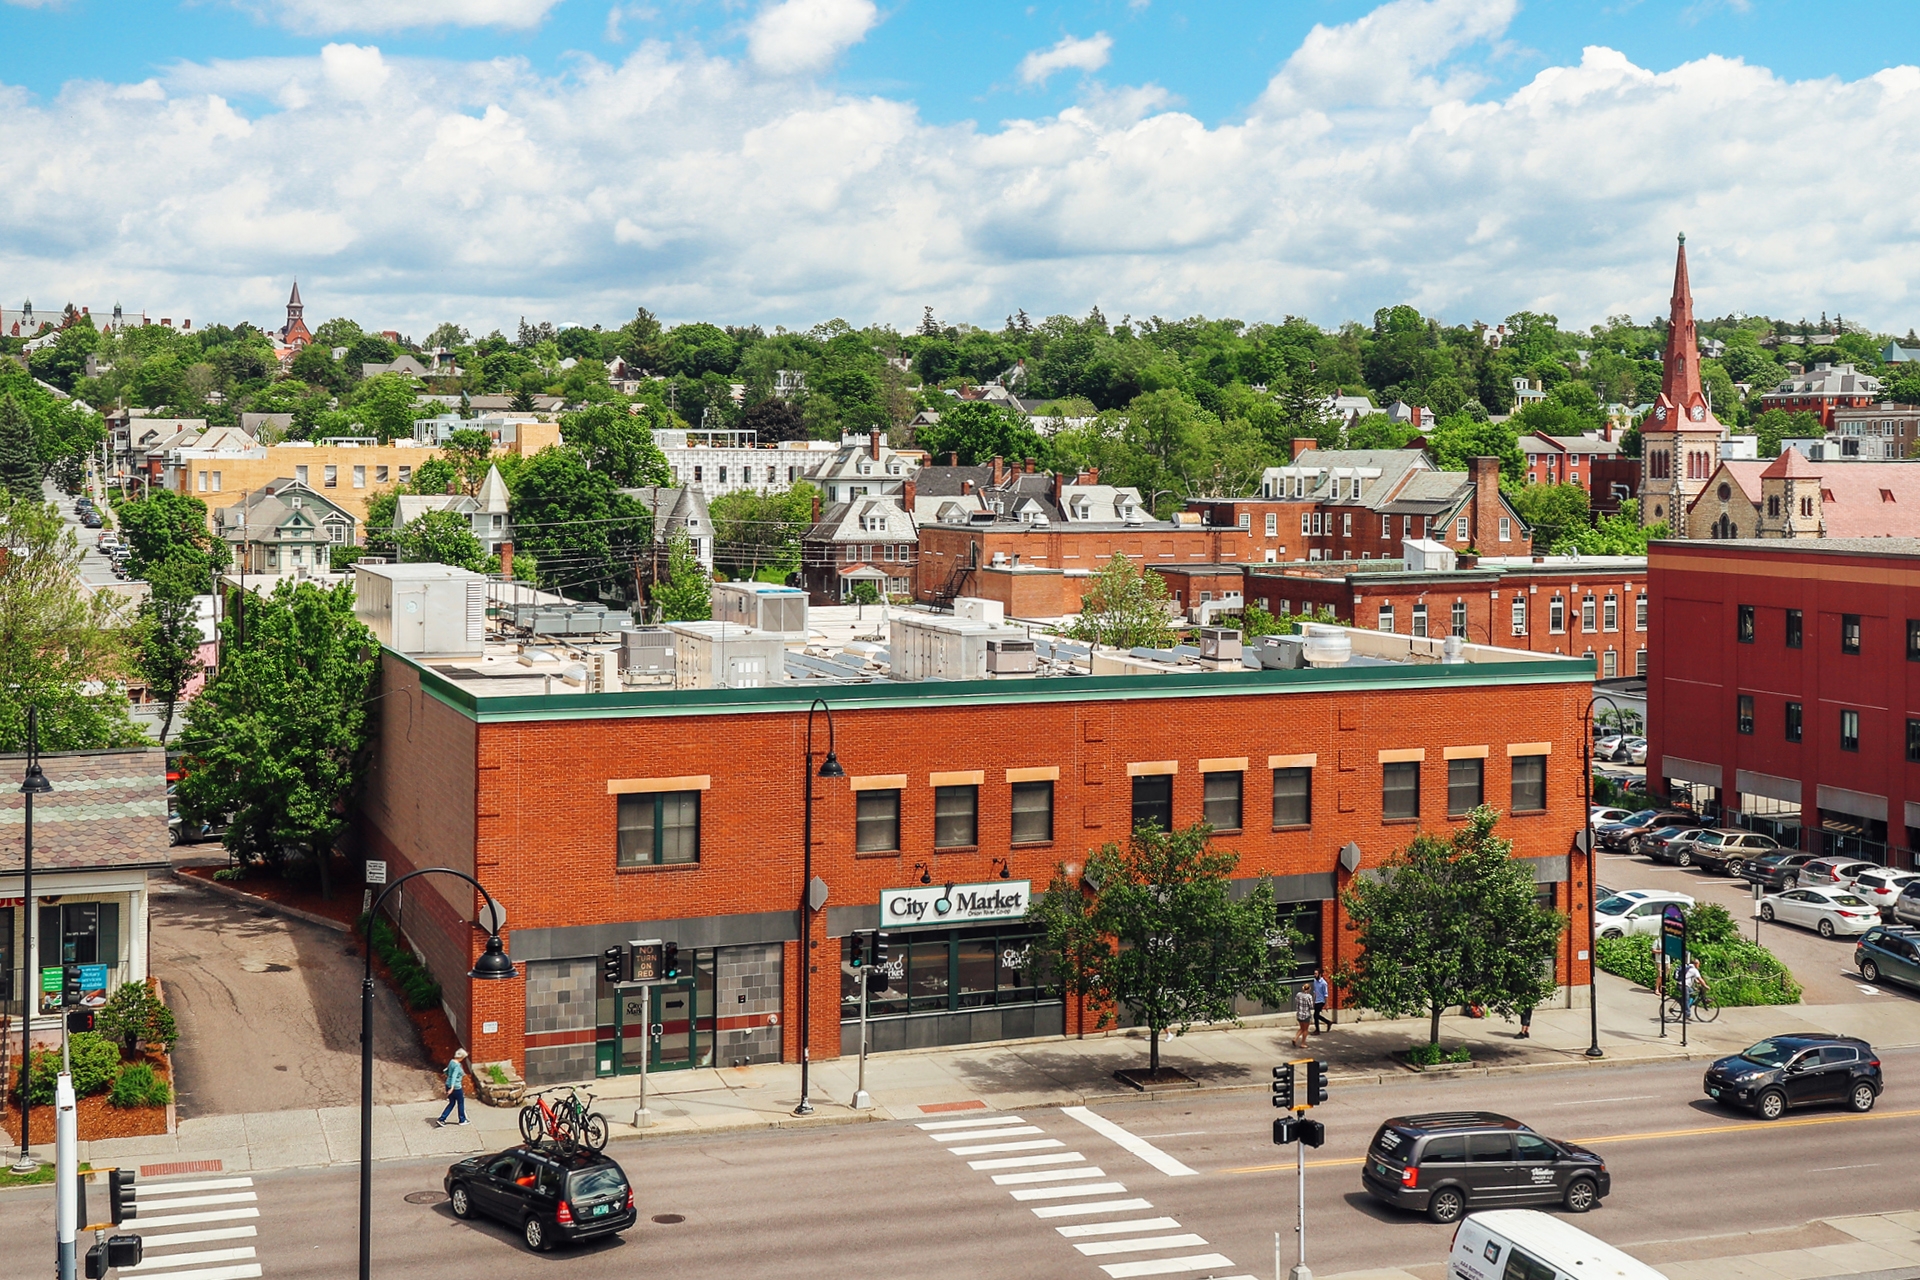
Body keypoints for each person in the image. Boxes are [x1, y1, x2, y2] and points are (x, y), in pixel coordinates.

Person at [437, 1048, 470, 1127]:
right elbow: (454, 1076)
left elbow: (447, 1071)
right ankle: (462, 1120)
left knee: (452, 1103)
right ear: (461, 1057)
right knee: (460, 1102)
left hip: (447, 1084)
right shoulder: (457, 1066)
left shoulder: (451, 1062)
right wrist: (452, 1087)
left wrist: (449, 1084)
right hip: (456, 1087)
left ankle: (442, 1119)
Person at [1310, 969, 1332, 1034]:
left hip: (1321, 1001)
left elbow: (1326, 994)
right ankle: (1328, 1022)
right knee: (1316, 1015)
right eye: (1314, 973)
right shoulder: (1315, 981)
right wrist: (1313, 1000)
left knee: (1315, 1015)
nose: (1314, 975)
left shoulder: (1324, 983)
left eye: (1316, 974)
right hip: (1316, 1000)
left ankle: (1317, 1030)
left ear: (1319, 974)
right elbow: (1315, 991)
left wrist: (1327, 1004)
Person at [1292, 983, 1313, 1048]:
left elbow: (1296, 1001)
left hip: (1299, 1014)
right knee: (1305, 1029)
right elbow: (1311, 1006)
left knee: (1301, 1028)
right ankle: (1303, 1043)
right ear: (1309, 989)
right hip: (1306, 1015)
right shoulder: (1309, 996)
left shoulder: (1298, 994)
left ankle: (1295, 1038)